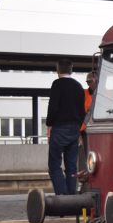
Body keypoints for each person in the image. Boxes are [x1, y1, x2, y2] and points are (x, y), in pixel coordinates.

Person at [46, 59, 86, 195]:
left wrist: (49, 125)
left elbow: (53, 107)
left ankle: (62, 196)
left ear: (57, 69)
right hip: (74, 129)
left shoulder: (57, 85)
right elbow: (82, 111)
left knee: (54, 165)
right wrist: (78, 127)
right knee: (71, 166)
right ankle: (72, 197)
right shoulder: (79, 86)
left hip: (59, 128)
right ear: (71, 70)